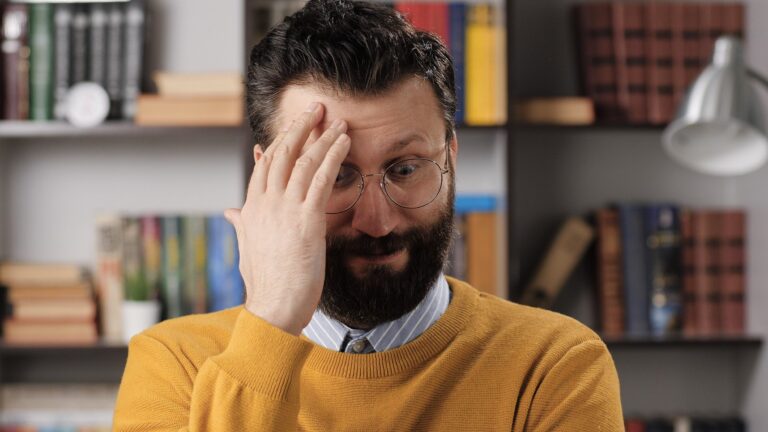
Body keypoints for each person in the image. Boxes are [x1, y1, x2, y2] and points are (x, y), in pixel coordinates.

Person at [113, 0, 624, 430]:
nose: (377, 222)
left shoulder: (555, 365)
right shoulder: (174, 363)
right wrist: (271, 320)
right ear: (268, 180)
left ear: (450, 158)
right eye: (335, 174)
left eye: (405, 168)